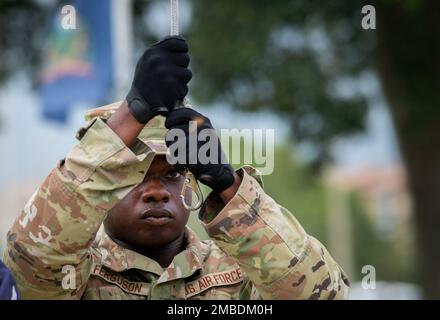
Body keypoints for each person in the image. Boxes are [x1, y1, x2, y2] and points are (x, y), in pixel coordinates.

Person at [4, 36, 349, 299]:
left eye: (171, 174)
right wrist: (132, 112)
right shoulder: (75, 276)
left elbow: (323, 292)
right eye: (134, 174)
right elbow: (31, 258)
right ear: (101, 186)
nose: (155, 192)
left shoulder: (241, 275)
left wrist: (228, 186)